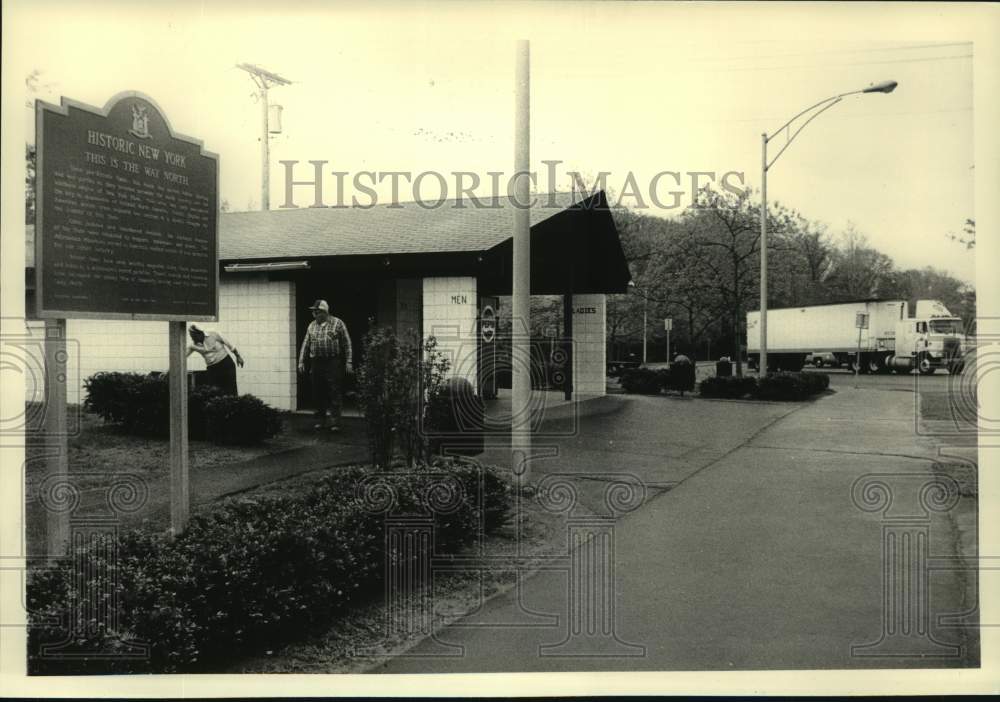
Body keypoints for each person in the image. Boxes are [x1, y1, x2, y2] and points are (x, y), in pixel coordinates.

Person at [298, 299, 353, 432]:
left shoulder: (338, 323)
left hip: (332, 361)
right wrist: (301, 361)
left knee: (334, 390)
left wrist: (349, 361)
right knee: (318, 391)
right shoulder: (311, 326)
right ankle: (320, 420)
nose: (314, 315)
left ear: (324, 312)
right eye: (313, 312)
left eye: (316, 312)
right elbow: (306, 344)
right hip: (316, 362)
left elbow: (347, 343)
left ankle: (335, 422)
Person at [187, 325, 244, 395]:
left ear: (200, 334)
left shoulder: (213, 333)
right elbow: (182, 356)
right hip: (212, 368)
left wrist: (238, 356)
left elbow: (229, 343)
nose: (193, 339)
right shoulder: (192, 345)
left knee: (230, 390)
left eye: (194, 336)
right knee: (214, 392)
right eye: (191, 337)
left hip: (226, 364)